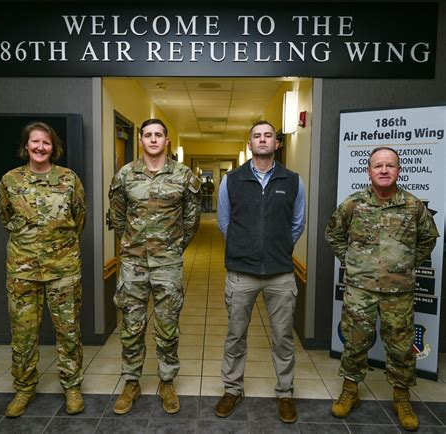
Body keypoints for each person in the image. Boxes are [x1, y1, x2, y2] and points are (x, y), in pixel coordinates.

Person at [325, 147, 439, 431]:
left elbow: (428, 239)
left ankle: (402, 398)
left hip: (398, 294)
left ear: (399, 170)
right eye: (378, 166)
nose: (384, 170)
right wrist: (352, 261)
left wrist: (406, 263)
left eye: (390, 165)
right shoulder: (353, 203)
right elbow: (333, 234)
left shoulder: (413, 206)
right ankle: (350, 390)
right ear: (369, 171)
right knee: (354, 343)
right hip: (359, 290)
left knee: (401, 348)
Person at [109, 118, 201, 415]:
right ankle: (132, 382)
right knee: (131, 327)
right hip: (133, 263)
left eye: (158, 135)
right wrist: (133, 244)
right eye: (147, 135)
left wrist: (172, 247)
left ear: (167, 140)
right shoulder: (125, 175)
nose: (152, 139)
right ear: (140, 140)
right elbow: (118, 217)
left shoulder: (183, 175)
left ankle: (166, 381)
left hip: (168, 264)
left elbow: (191, 220)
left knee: (167, 326)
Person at [216, 120, 306, 423]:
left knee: (283, 337)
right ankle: (232, 389)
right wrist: (246, 247)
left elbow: (297, 224)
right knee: (235, 335)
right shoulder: (232, 180)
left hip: (280, 274)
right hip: (242, 273)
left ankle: (285, 393)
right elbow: (225, 223)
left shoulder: (293, 180)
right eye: (257, 135)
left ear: (276, 143)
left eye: (268, 135)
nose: (263, 139)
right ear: (250, 142)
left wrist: (275, 249)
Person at [0, 122, 86, 417]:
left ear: (53, 147)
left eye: (46, 142)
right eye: (35, 142)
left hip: (63, 269)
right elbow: (5, 217)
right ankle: (23, 389)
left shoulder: (69, 179)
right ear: (26, 146)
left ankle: (72, 387)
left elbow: (79, 218)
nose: (40, 147)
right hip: (22, 271)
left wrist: (58, 246)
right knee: (23, 335)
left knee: (69, 332)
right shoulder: (10, 181)